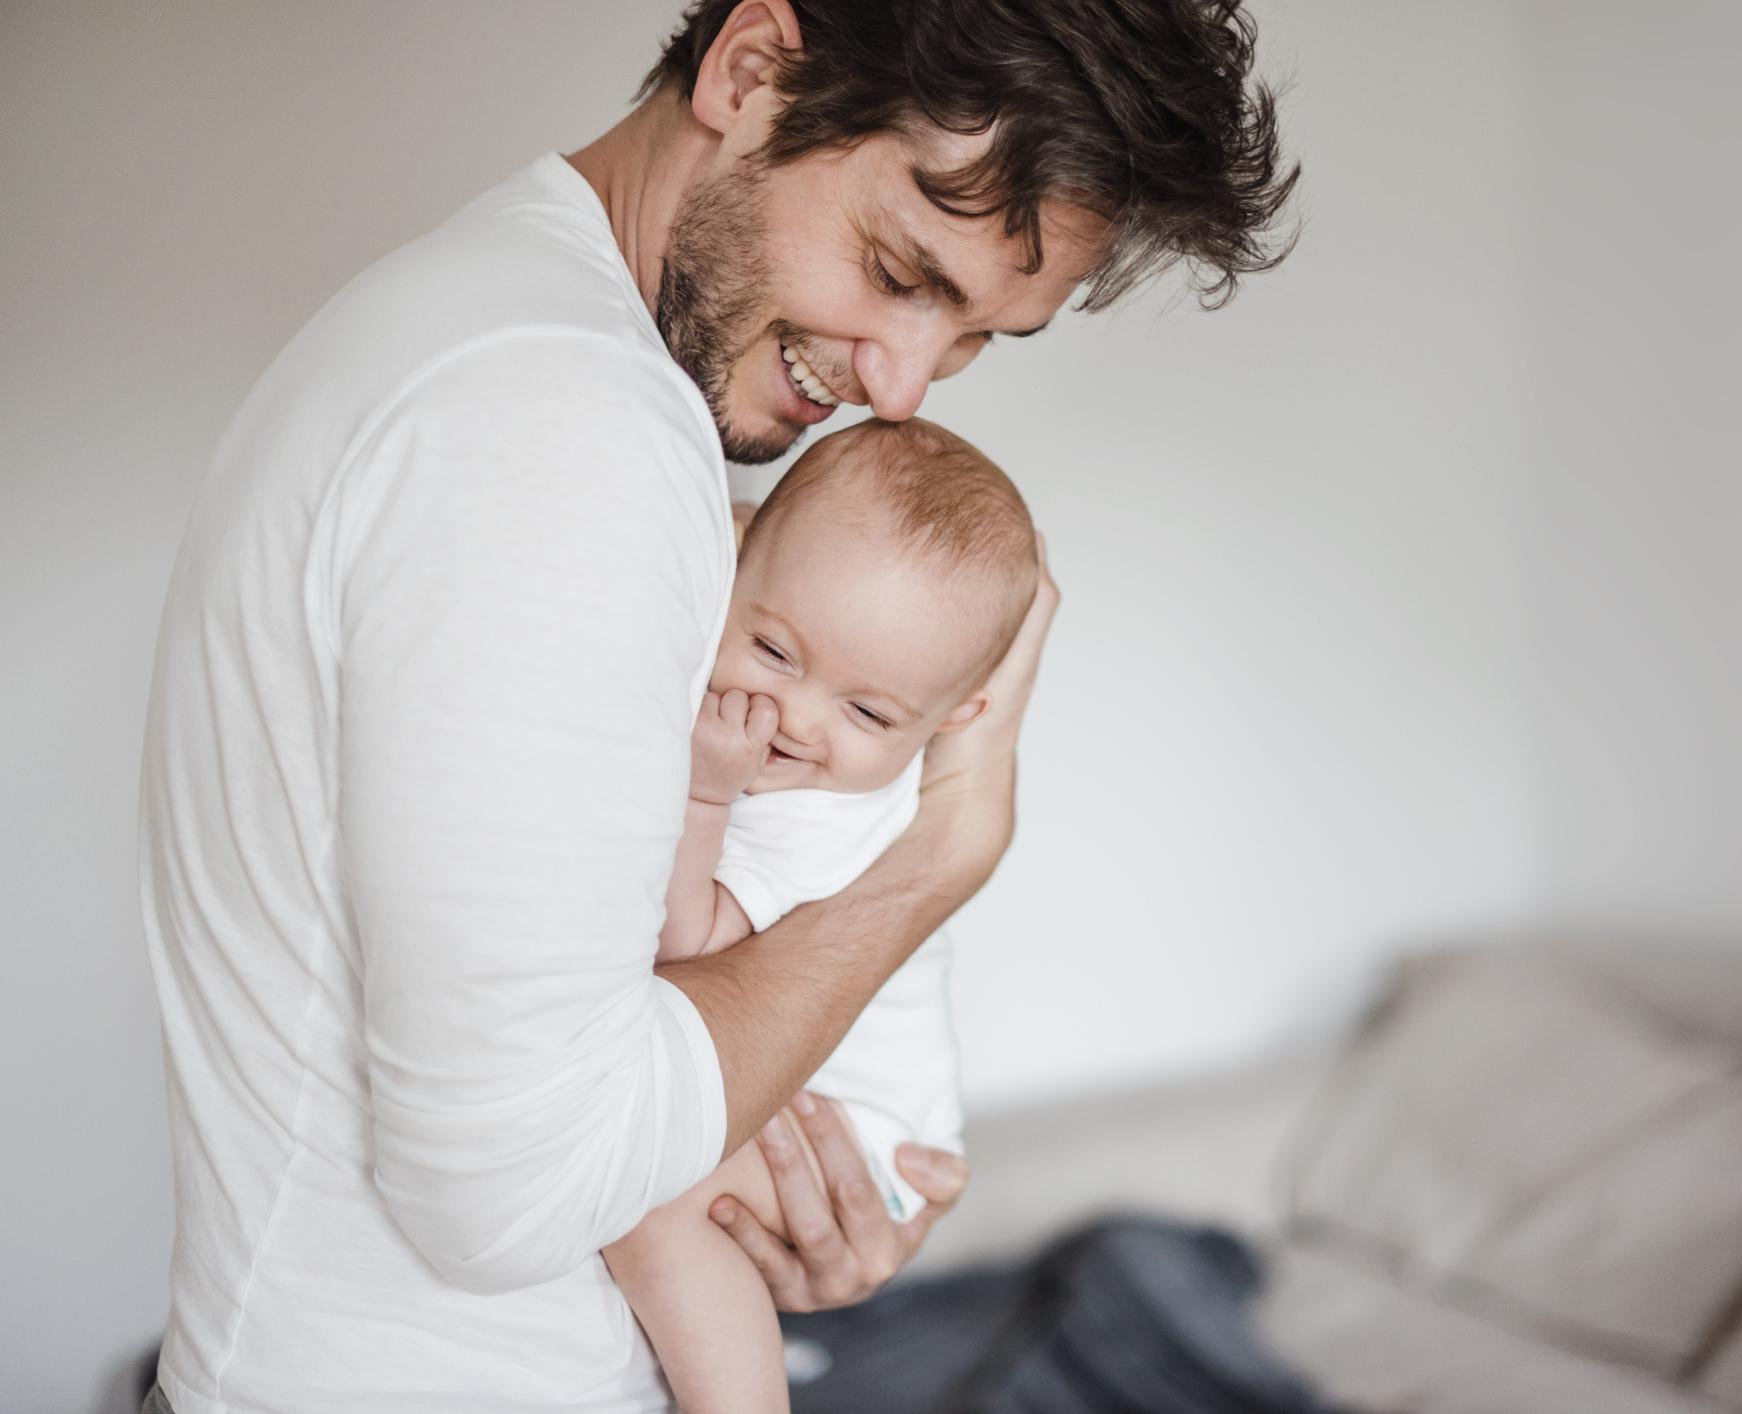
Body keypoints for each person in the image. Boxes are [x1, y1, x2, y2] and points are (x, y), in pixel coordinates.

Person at [138, 2, 1296, 1410]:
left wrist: (761, 1197)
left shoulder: (483, 324)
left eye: (979, 337)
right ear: (750, 73)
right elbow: (510, 1192)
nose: (900, 384)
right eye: (896, 270)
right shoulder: (564, 422)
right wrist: (934, 859)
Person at [607, 416, 1038, 1412]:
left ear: (955, 720)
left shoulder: (828, 817)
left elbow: (689, 946)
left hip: (857, 1138)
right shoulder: (795, 674)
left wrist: (705, 796)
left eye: (870, 714)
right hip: (811, 1101)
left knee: (644, 1198)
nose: (798, 719)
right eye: (772, 649)